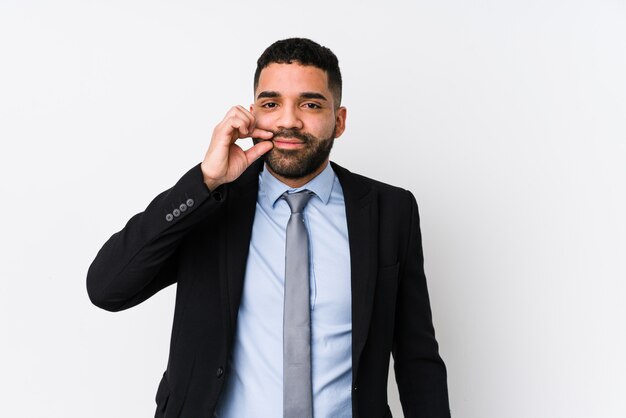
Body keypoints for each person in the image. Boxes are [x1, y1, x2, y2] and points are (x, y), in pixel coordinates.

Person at [87, 37, 450, 418]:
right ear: (252, 114)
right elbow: (107, 288)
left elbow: (417, 358)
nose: (288, 120)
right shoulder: (210, 204)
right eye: (271, 103)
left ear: (338, 121)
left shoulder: (390, 211)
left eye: (310, 104)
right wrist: (205, 181)